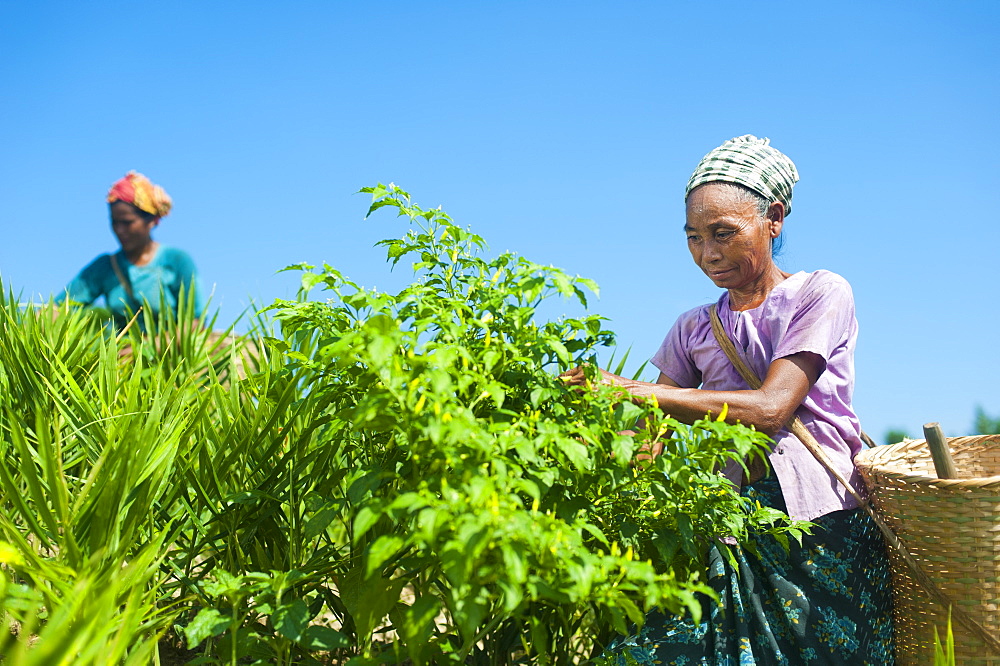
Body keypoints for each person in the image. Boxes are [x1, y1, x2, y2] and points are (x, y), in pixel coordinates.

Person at [561, 135, 894, 664]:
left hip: (822, 528)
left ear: (774, 219)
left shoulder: (821, 294)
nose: (708, 253)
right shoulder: (694, 327)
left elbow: (771, 408)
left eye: (723, 233)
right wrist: (585, 444)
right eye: (693, 237)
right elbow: (646, 438)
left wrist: (629, 389)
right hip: (734, 526)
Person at [57, 171, 204, 332]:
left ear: (151, 221)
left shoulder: (176, 261)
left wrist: (155, 346)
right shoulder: (105, 267)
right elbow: (61, 307)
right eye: (114, 222)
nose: (119, 230)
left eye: (127, 223)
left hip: (172, 353)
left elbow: (195, 322)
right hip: (123, 354)